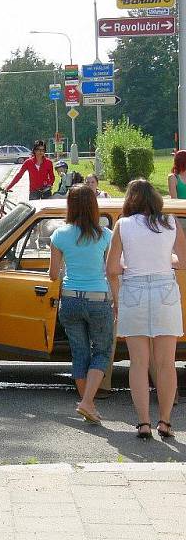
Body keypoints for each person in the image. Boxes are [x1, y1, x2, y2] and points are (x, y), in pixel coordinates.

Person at [106, 179, 186, 439]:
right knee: (166, 363)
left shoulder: (123, 225)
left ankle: (143, 423)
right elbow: (182, 261)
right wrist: (166, 260)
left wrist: (126, 273)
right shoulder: (170, 222)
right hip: (164, 290)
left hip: (134, 291)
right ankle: (165, 422)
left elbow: (112, 269)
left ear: (131, 200)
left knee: (138, 363)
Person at [49, 185, 114, 423]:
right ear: (94, 207)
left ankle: (88, 405)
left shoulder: (59, 235)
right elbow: (112, 270)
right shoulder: (105, 235)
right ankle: (87, 403)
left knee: (79, 353)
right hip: (98, 299)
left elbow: (54, 274)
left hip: (70, 300)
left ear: (70, 206)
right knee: (102, 352)